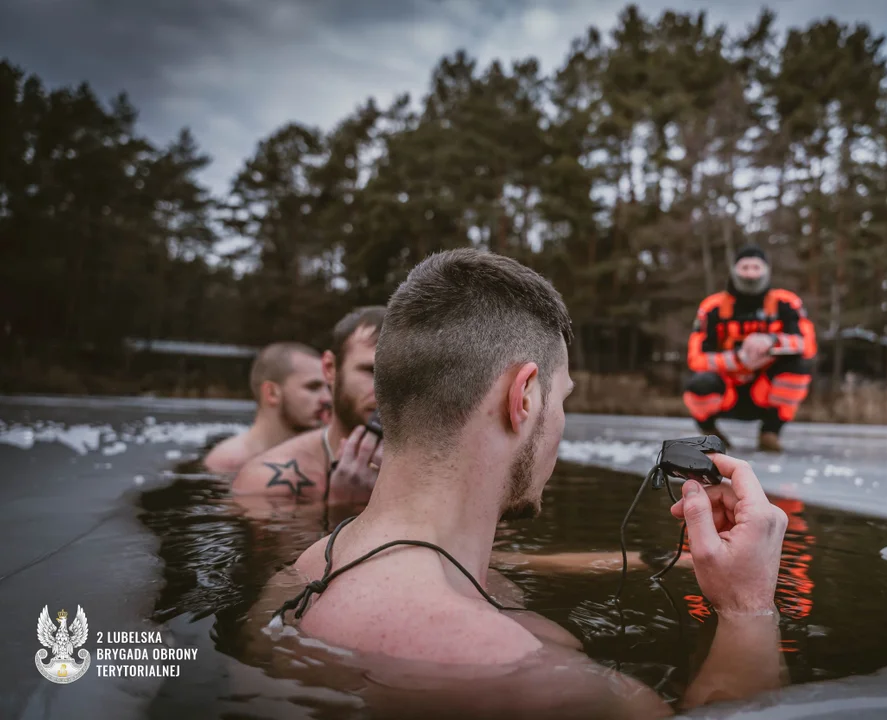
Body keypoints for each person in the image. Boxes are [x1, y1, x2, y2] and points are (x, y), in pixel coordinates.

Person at [263, 249, 789, 717]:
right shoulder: (528, 678)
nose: (560, 421)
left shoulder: (306, 570)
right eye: (561, 399)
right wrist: (748, 607)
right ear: (525, 398)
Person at [230, 307, 386, 504]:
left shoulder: (433, 470)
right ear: (330, 368)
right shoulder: (268, 482)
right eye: (372, 371)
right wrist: (344, 508)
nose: (389, 389)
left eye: (404, 375)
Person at [683, 245, 817, 453]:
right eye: (745, 267)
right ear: (735, 270)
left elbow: (808, 345)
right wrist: (739, 359)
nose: (751, 273)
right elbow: (695, 358)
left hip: (763, 391)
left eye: (756, 267)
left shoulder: (786, 303)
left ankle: (770, 432)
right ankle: (710, 434)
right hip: (727, 392)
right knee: (698, 383)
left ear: (766, 271)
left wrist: (772, 341)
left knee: (799, 367)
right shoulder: (712, 307)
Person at [204, 342, 331, 474]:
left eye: (328, 388)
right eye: (313, 387)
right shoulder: (231, 462)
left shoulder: (329, 456)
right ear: (272, 393)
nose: (327, 398)